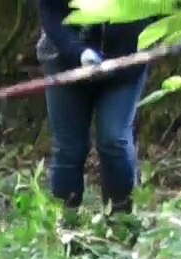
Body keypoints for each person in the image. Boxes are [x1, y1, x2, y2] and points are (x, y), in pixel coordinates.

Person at [36, 0, 153, 216]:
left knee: (114, 140)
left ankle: (121, 227)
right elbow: (49, 10)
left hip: (127, 59)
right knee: (69, 148)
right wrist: (78, 52)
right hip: (64, 59)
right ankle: (66, 227)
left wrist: (180, 30)